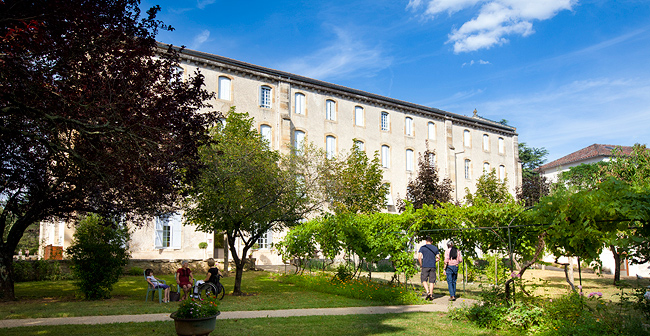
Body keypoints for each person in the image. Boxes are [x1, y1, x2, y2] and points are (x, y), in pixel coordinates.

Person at [418, 236, 440, 301]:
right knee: (431, 281)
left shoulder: (422, 248)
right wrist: (434, 261)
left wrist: (421, 265)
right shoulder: (435, 248)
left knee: (423, 279)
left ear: (426, 241)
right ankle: (431, 294)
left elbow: (419, 257)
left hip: (425, 266)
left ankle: (427, 292)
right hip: (432, 266)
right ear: (432, 242)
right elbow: (438, 258)